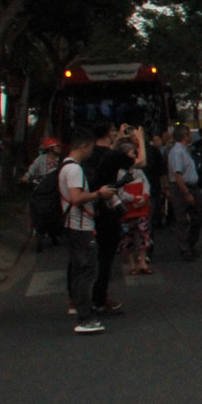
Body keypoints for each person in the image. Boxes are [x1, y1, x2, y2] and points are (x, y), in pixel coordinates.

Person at [60, 127, 117, 335]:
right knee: (86, 271)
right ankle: (85, 317)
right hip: (81, 226)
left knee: (79, 270)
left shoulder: (65, 167)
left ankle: (80, 308)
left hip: (73, 226)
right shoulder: (74, 169)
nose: (92, 152)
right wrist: (98, 194)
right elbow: (76, 197)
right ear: (83, 146)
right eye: (91, 147)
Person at [87, 122, 143, 316]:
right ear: (107, 134)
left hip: (92, 209)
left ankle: (88, 298)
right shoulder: (113, 155)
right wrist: (140, 139)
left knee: (94, 258)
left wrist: (118, 138)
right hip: (107, 209)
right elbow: (141, 161)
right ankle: (99, 299)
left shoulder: (90, 154)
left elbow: (107, 154)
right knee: (106, 257)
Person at [115, 140, 152, 275]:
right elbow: (120, 192)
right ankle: (131, 263)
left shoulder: (138, 171)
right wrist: (135, 199)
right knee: (127, 237)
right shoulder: (119, 173)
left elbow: (146, 184)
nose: (134, 155)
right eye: (131, 152)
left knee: (144, 234)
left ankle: (142, 261)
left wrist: (145, 196)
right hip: (128, 209)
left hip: (142, 207)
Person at [167, 124, 202, 260]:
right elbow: (177, 174)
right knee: (182, 218)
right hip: (181, 187)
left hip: (193, 186)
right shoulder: (177, 152)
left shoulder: (186, 151)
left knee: (198, 217)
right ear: (184, 136)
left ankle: (190, 243)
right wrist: (186, 193)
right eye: (189, 134)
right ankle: (185, 248)